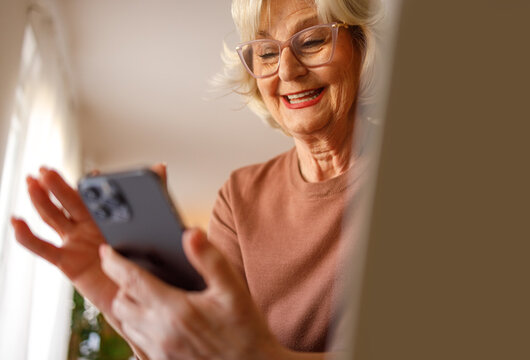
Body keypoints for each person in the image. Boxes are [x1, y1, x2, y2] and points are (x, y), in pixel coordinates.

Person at [11, 0, 382, 358]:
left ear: (362, 46)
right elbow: (206, 350)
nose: (286, 70)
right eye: (266, 53)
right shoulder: (240, 196)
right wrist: (123, 303)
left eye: (313, 40)